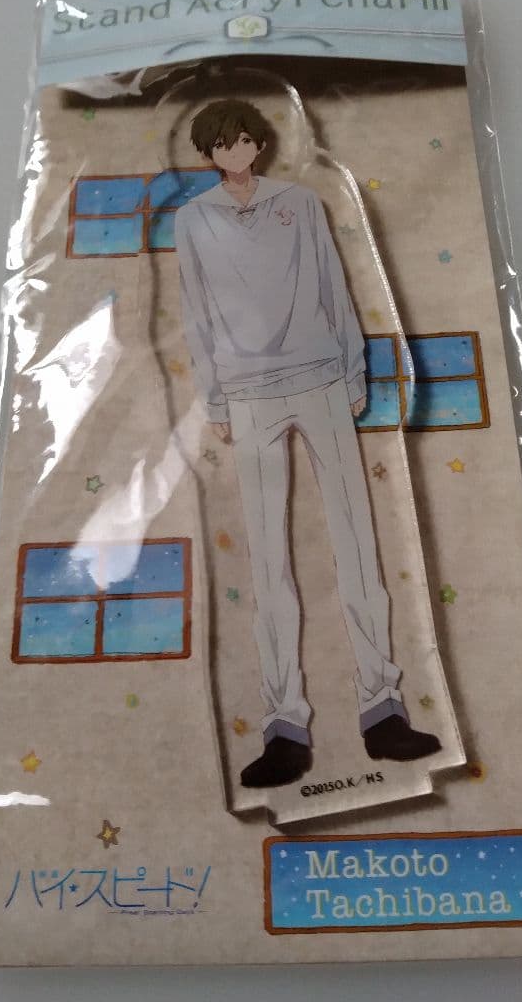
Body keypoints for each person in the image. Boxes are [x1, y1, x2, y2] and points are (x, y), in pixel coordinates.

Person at [174, 99, 441, 788]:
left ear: (259, 144)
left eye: (244, 140)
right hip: (249, 394)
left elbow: (332, 283)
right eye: (222, 145)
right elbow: (195, 310)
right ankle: (284, 727)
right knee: (269, 562)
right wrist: (215, 397)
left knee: (357, 544)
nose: (235, 153)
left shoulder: (300, 203)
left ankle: (383, 710)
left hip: (322, 378)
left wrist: (355, 371)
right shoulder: (193, 219)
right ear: (208, 155)